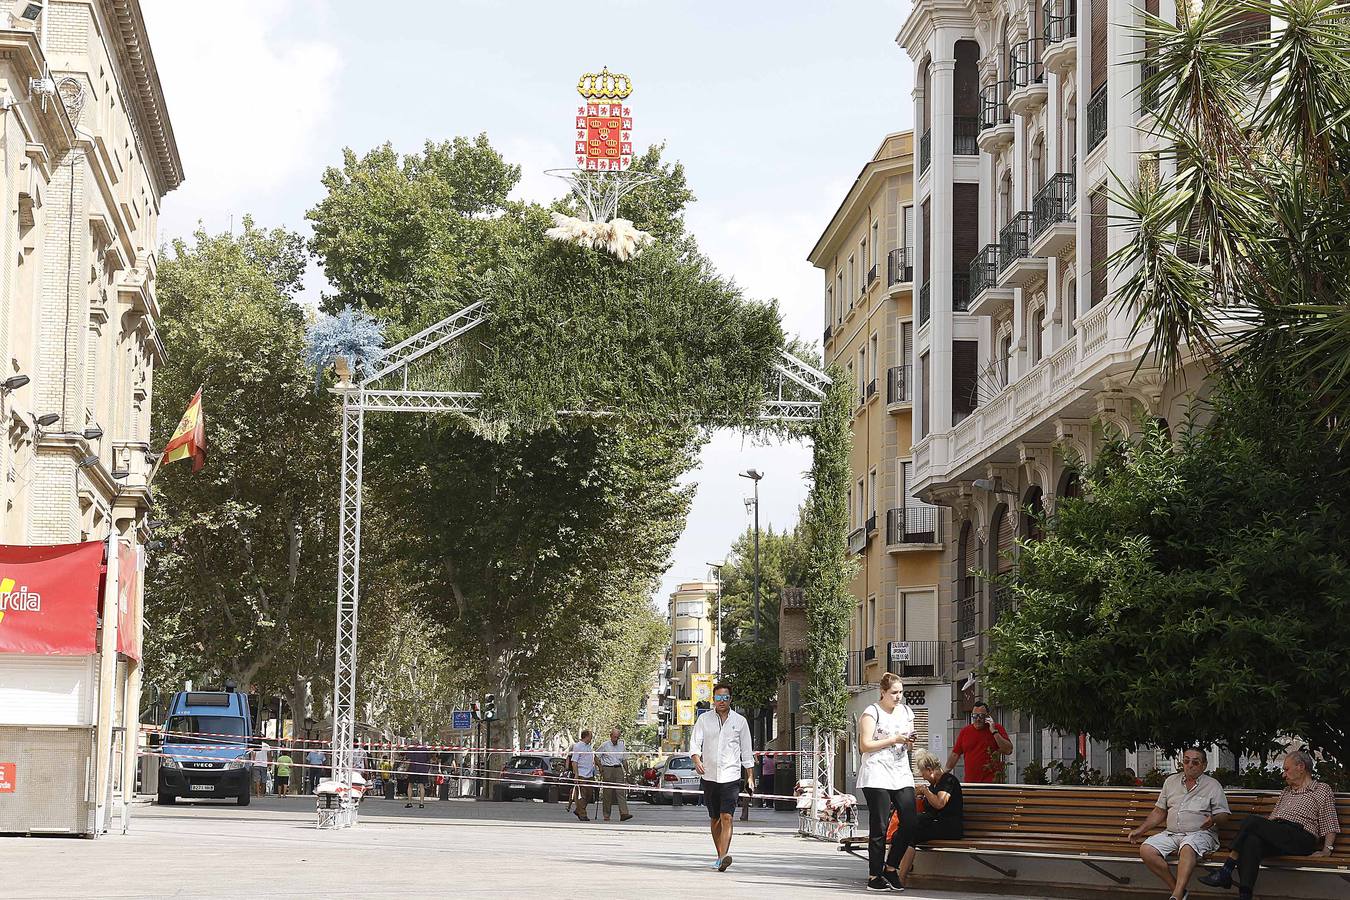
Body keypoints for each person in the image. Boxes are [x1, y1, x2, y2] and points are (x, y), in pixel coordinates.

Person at [1200, 749, 1340, 899]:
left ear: (1301, 767)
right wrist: (1262, 830)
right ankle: (1245, 895)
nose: (1283, 775)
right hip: (1280, 835)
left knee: (1251, 821)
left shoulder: (1321, 789)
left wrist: (1327, 850)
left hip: (1301, 837)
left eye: (1286, 769)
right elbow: (1273, 820)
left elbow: (1329, 821)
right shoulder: (1286, 791)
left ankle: (1226, 869)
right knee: (1251, 842)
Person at [1128, 747, 1231, 900]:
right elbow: (1159, 812)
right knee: (1146, 850)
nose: (1190, 765)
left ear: (1204, 765)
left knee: (1187, 846)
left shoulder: (1213, 785)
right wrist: (1140, 830)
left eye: (1195, 762)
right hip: (1172, 834)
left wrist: (1214, 819)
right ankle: (1178, 890)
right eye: (1186, 761)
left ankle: (1176, 895)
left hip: (1200, 834)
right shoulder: (1171, 781)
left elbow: (1224, 816)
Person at [857, 672, 918, 892]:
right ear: (883, 692)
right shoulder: (871, 712)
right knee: (880, 826)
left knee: (910, 822)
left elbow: (908, 745)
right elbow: (865, 745)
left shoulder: (907, 712)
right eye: (894, 692)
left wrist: (909, 741)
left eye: (901, 692)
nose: (898, 696)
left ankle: (891, 868)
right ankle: (874, 875)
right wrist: (893, 739)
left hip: (900, 773)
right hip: (877, 773)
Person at [690, 682, 756, 873]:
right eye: (718, 698)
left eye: (725, 697)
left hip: (731, 776)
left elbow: (747, 751)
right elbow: (695, 744)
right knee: (715, 818)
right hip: (709, 776)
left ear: (730, 699)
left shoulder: (740, 722)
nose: (721, 701)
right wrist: (697, 760)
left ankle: (723, 857)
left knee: (727, 816)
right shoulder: (704, 720)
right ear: (713, 699)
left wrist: (750, 777)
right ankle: (720, 855)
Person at [897, 750, 966, 887]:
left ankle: (901, 878)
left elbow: (940, 803)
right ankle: (893, 871)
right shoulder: (934, 784)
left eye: (923, 774)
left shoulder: (948, 780)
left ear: (930, 770)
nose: (924, 778)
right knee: (903, 831)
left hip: (949, 827)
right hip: (935, 824)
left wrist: (925, 791)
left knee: (911, 835)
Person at [945, 700, 1012, 783]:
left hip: (992, 783)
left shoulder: (997, 728)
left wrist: (994, 732)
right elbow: (955, 754)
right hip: (971, 783)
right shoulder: (965, 731)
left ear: (987, 717)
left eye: (981, 716)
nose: (978, 719)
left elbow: (1008, 750)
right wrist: (944, 773)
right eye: (975, 716)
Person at [596, 728, 634, 822]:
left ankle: (624, 813)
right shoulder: (605, 745)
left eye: (617, 737)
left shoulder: (621, 746)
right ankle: (606, 815)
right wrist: (600, 767)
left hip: (618, 768)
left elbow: (624, 760)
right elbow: (596, 756)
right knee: (607, 793)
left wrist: (627, 772)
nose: (616, 739)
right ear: (610, 736)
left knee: (621, 791)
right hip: (607, 768)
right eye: (614, 737)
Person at [569, 729, 599, 821]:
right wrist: (576, 774)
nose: (591, 738)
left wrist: (599, 767)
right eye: (590, 736)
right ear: (586, 736)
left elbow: (593, 757)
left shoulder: (589, 747)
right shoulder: (578, 746)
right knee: (582, 795)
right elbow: (574, 761)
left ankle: (578, 809)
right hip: (581, 774)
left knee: (589, 795)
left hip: (590, 774)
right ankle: (582, 814)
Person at [403, 742, 430, 809]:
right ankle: (421, 803)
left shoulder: (411, 749)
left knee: (410, 785)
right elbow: (428, 760)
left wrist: (406, 770)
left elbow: (408, 759)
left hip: (413, 769)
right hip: (422, 769)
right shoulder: (425, 749)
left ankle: (409, 802)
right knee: (421, 786)